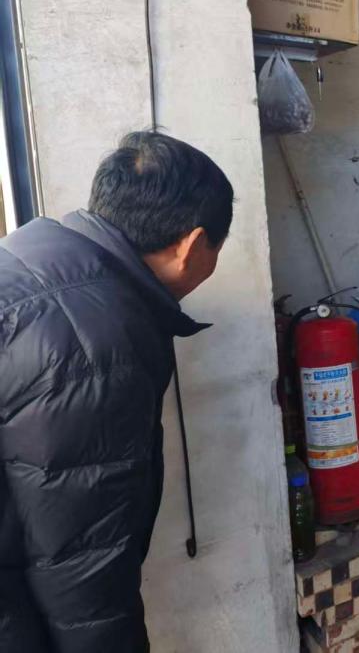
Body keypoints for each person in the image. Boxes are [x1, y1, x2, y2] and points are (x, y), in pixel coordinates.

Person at [0, 131, 234, 653]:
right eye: (217, 249)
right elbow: (83, 561)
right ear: (192, 245)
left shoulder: (30, 254)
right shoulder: (98, 346)